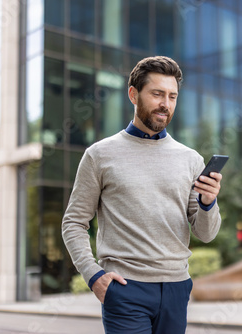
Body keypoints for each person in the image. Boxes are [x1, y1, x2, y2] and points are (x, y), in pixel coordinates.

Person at [62, 56, 223, 333]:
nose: (165, 104)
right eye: (157, 94)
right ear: (133, 95)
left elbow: (205, 234)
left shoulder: (191, 160)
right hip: (125, 289)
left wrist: (208, 203)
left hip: (176, 288)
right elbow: (73, 222)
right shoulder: (100, 155)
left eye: (172, 96)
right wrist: (94, 276)